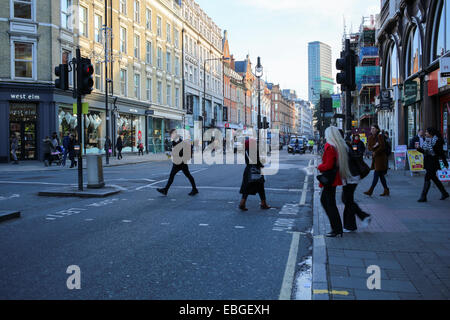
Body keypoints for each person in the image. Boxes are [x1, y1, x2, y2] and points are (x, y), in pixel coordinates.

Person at [318, 127, 352, 238]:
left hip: (329, 178)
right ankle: (337, 228)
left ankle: (336, 229)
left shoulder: (330, 146)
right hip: (333, 177)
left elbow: (328, 165)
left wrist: (319, 166)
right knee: (325, 200)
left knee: (330, 203)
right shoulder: (338, 146)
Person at [342, 133, 372, 232]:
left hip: (351, 177)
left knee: (347, 200)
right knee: (347, 199)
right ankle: (356, 221)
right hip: (351, 176)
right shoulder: (345, 145)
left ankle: (352, 225)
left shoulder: (343, 147)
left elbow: (345, 163)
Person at [157, 129, 198, 196]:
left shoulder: (178, 140)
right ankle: (165, 190)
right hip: (178, 162)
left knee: (187, 175)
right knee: (173, 176)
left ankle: (195, 189)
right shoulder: (176, 140)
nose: (170, 136)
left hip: (181, 162)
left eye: (171, 134)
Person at [417, 128, 449, 202]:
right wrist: (419, 149)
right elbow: (425, 151)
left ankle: (423, 196)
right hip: (428, 161)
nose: (425, 133)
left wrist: (445, 163)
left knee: (427, 177)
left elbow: (441, 153)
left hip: (433, 162)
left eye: (427, 132)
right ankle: (444, 193)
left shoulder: (437, 141)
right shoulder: (427, 140)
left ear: (431, 133)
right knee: (434, 178)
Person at [239, 138, 271, 211]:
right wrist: (261, 165)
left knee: (247, 187)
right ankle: (264, 203)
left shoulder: (246, 151)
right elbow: (256, 161)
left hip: (248, 170)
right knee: (260, 187)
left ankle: (242, 203)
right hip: (255, 170)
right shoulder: (253, 151)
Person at [364, 125, 389, 197]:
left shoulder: (380, 136)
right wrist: (374, 146)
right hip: (375, 158)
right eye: (371, 128)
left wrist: (375, 151)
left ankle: (371, 190)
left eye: (374, 128)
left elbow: (382, 147)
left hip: (381, 158)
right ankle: (386, 189)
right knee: (381, 175)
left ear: (377, 129)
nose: (372, 130)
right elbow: (369, 147)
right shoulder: (370, 137)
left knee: (376, 174)